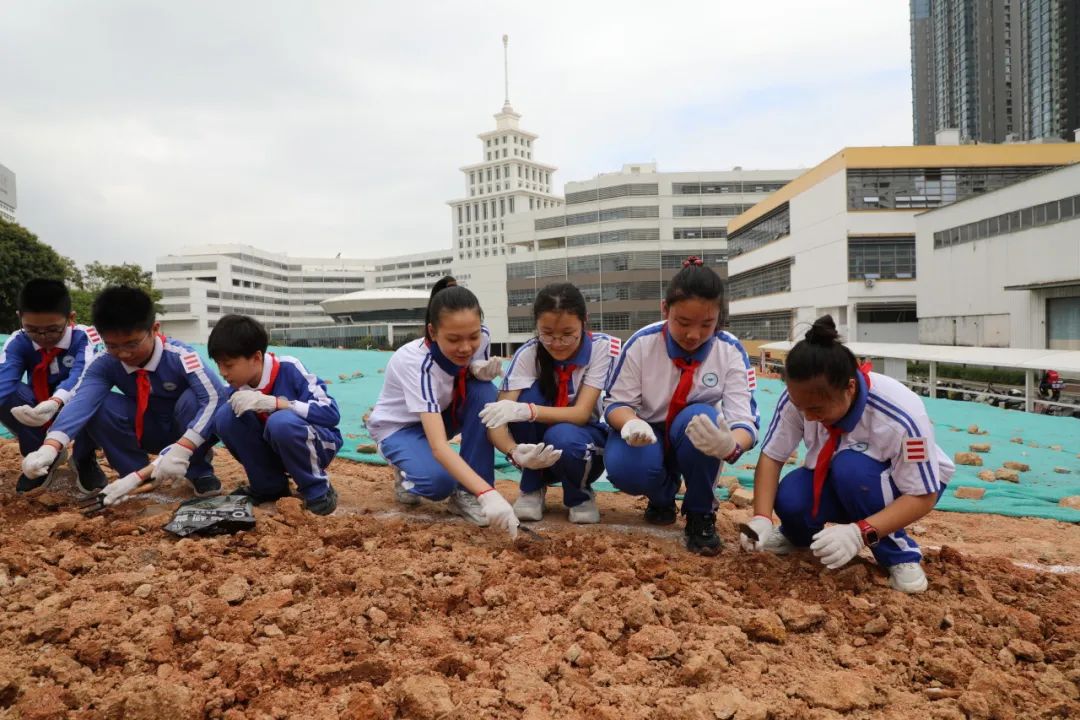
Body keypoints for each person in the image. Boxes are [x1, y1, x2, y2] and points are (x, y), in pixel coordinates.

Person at [743, 315, 955, 594]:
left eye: (817, 409)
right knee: (792, 496)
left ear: (850, 388)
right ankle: (798, 537)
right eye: (800, 406)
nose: (808, 416)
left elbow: (922, 495)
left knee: (851, 469)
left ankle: (899, 555)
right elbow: (772, 457)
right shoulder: (801, 400)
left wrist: (859, 533)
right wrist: (761, 518)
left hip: (908, 486)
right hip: (843, 478)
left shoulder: (899, 415)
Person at [603, 257, 759, 555]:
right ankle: (661, 496)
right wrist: (630, 423)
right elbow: (615, 403)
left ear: (719, 317)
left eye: (707, 324)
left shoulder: (729, 351)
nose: (694, 335)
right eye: (683, 323)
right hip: (646, 432)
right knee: (627, 468)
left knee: (703, 419)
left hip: (694, 435)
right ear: (665, 309)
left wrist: (730, 445)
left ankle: (701, 512)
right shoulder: (642, 344)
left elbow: (745, 421)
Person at [20, 286, 226, 505]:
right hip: (144, 428)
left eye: (132, 343)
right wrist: (50, 447)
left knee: (194, 399)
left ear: (154, 329)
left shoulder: (182, 357)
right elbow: (83, 401)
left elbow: (215, 398)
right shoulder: (104, 363)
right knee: (99, 405)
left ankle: (198, 471)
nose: (124, 353)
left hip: (186, 430)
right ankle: (133, 474)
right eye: (112, 345)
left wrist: (184, 446)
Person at [367, 285, 518, 537]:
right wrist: (488, 494)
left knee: (483, 391)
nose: (466, 348)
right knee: (438, 483)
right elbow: (439, 446)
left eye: (473, 336)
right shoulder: (415, 363)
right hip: (401, 428)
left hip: (443, 413)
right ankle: (405, 469)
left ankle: (467, 495)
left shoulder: (481, 338)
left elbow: (470, 371)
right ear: (432, 332)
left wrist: (474, 370)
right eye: (454, 339)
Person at [480, 283, 617, 524]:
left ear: (584, 322)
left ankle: (579, 494)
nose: (556, 343)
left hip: (584, 447)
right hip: (539, 454)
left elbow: (582, 414)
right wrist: (515, 453)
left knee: (561, 433)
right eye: (547, 334)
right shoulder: (529, 354)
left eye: (567, 334)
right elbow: (496, 421)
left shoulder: (602, 349)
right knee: (526, 396)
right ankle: (532, 486)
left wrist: (528, 411)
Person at [208, 314, 341, 515]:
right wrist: (181, 452)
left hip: (316, 445)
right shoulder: (234, 390)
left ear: (256, 357)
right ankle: (269, 487)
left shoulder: (289, 368)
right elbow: (212, 428)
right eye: (218, 364)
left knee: (281, 422)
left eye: (228, 365)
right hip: (275, 450)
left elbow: (330, 413)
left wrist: (278, 404)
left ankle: (317, 489)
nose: (222, 372)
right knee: (226, 416)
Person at [0, 279, 105, 494]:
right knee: (8, 395)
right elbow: (4, 380)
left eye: (52, 330)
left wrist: (57, 400)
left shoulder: (86, 337)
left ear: (71, 318)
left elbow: (83, 376)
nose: (43, 337)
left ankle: (84, 458)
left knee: (96, 396)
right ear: (20, 318)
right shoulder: (18, 341)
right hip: (37, 406)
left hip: (73, 402)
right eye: (33, 330)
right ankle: (40, 457)